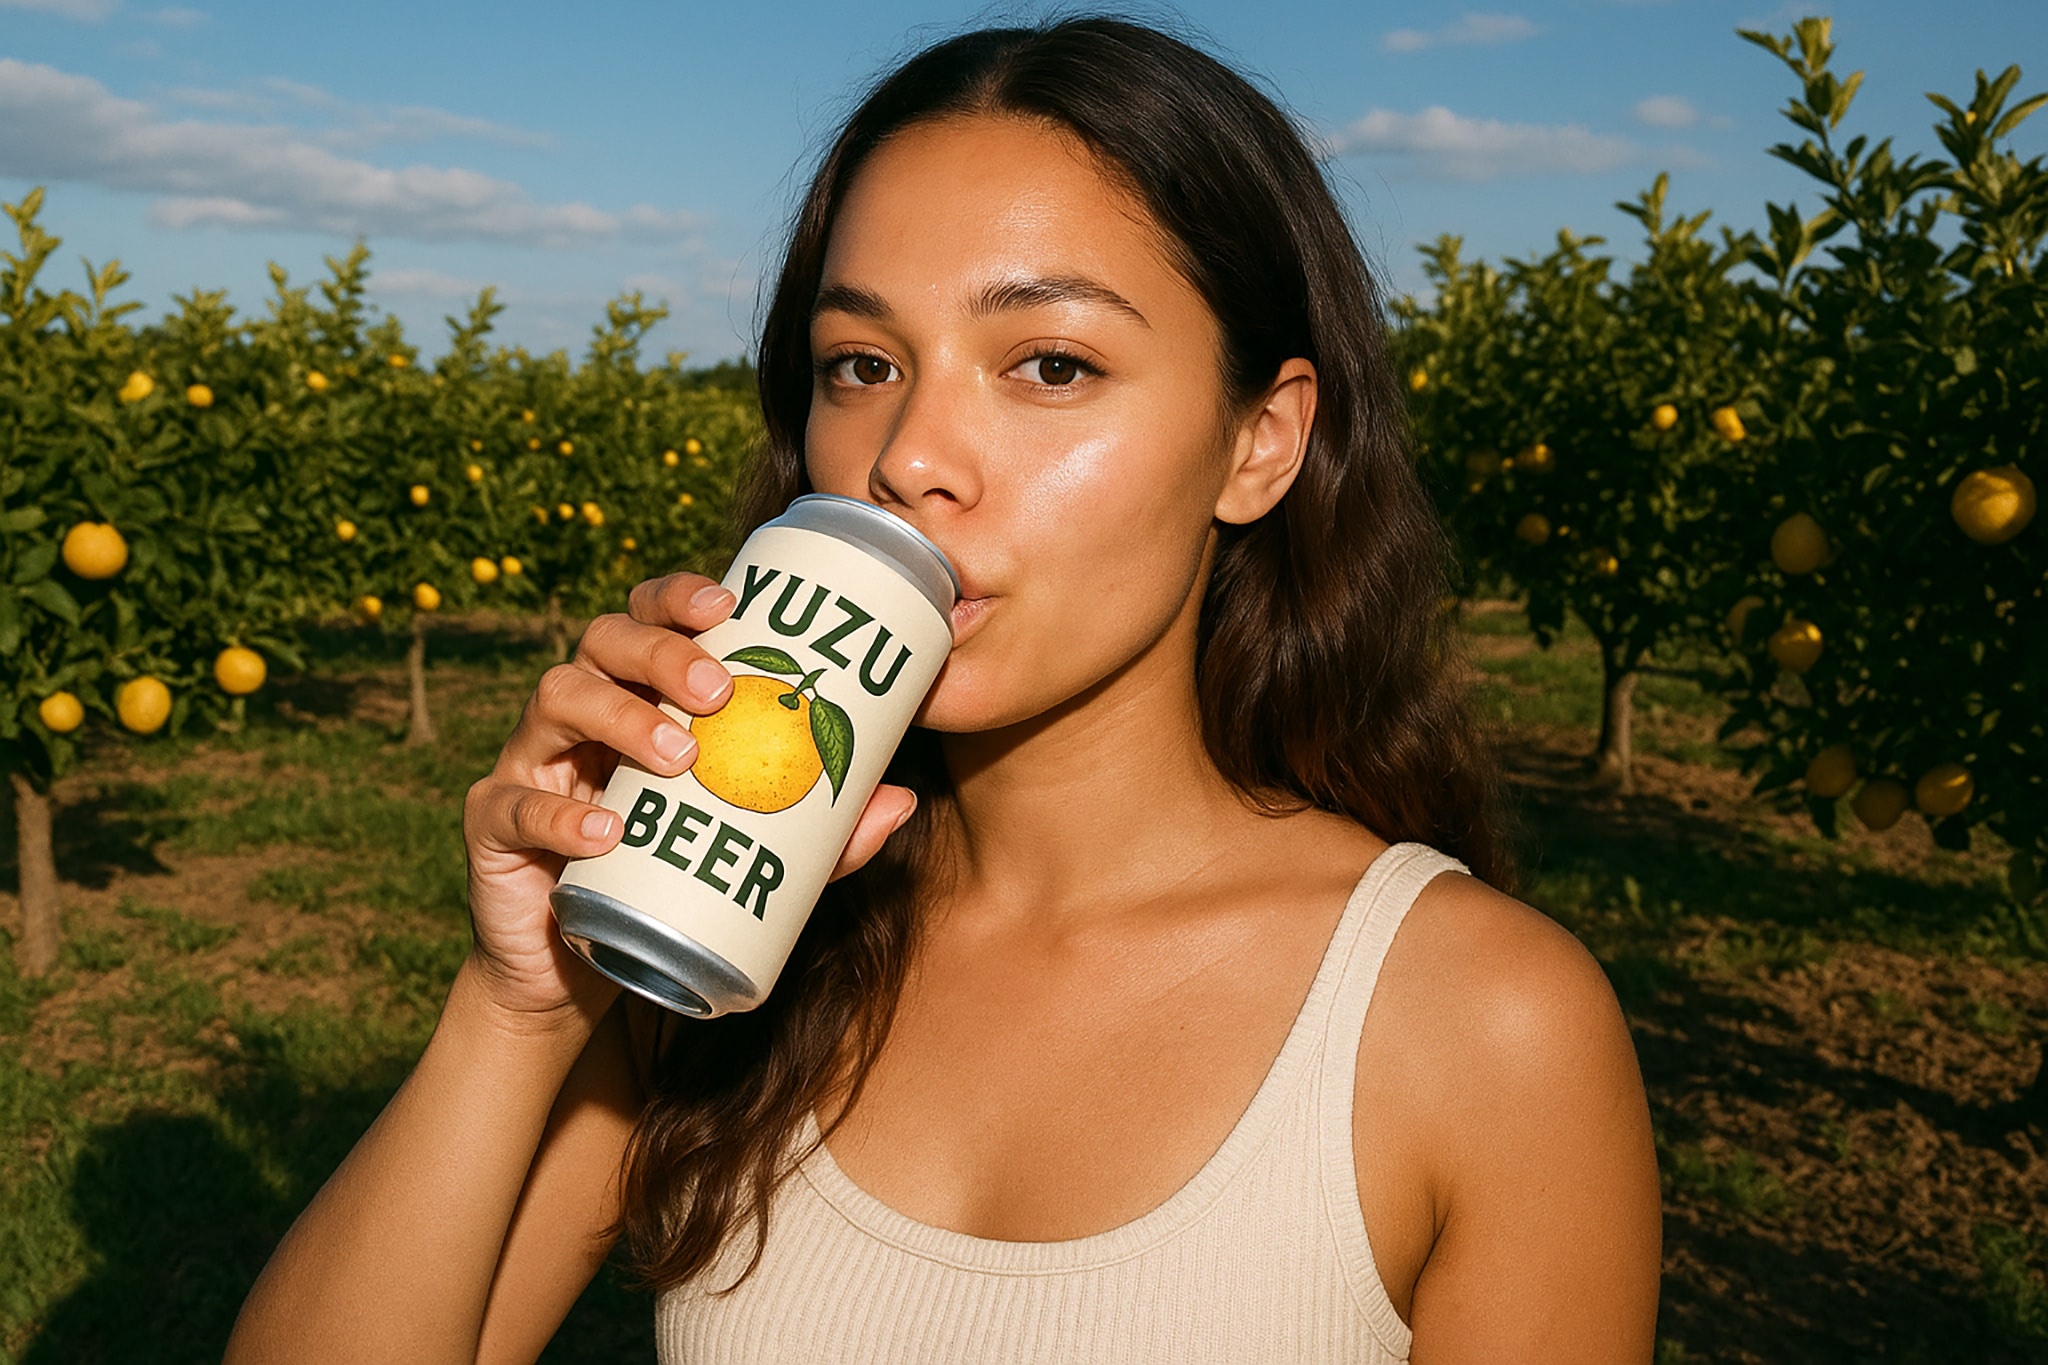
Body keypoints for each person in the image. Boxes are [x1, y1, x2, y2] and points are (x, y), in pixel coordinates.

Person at [226, 17, 1661, 1363]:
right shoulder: (750, 940)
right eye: (861, 362)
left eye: (1049, 362)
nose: (910, 453)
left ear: (1261, 442)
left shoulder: (1479, 1021)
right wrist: (519, 1006)